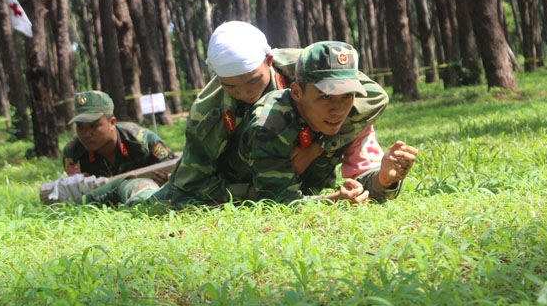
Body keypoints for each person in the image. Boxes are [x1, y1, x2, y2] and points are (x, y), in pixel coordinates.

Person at [49, 22, 388, 206]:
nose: (246, 94)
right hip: (228, 175)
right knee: (152, 204)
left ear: (269, 61)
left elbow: (374, 96)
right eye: (232, 87)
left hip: (290, 168)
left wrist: (322, 146)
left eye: (253, 81)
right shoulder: (208, 113)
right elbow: (196, 183)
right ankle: (110, 189)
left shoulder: (304, 68)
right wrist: (251, 193)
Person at [219, 41, 418, 204]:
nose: (338, 110)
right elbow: (276, 201)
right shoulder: (271, 123)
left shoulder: (352, 118)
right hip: (235, 187)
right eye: (325, 97)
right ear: (297, 92)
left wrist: (383, 179)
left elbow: (364, 181)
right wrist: (334, 200)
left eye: (347, 95)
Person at [62, 90, 176, 185]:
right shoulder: (74, 153)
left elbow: (176, 171)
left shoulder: (142, 141)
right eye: (80, 127)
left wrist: (168, 179)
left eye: (93, 126)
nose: (86, 134)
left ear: (112, 122)